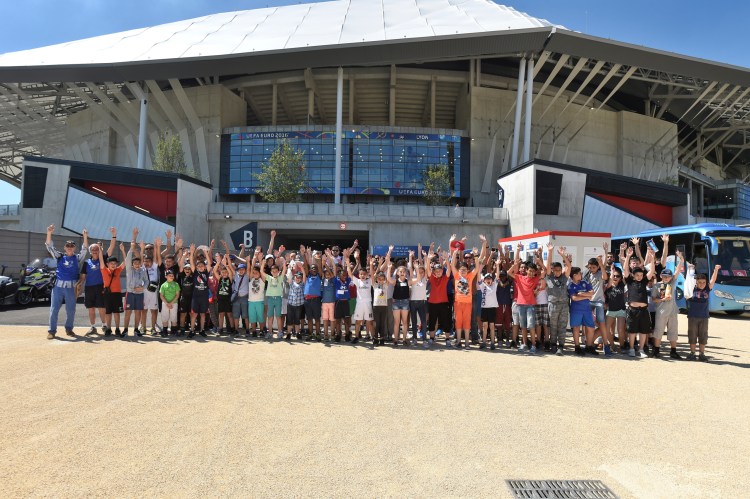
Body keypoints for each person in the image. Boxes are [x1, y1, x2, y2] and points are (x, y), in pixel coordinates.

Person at [45, 224, 88, 339]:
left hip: (71, 288)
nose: (69, 247)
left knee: (71, 310)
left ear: (74, 248)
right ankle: (52, 331)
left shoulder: (77, 258)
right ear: (65, 247)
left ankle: (69, 329)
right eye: (68, 245)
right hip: (58, 287)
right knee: (54, 309)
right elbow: (50, 247)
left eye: (72, 246)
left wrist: (85, 236)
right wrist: (49, 233)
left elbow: (84, 249)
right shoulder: (59, 256)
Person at [621, 246, 657, 358]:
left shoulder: (644, 281)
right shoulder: (629, 281)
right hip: (632, 310)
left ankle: (641, 349)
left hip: (644, 310)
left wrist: (652, 257)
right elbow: (626, 270)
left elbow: (651, 271)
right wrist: (627, 257)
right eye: (637, 275)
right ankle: (632, 349)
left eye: (641, 275)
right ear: (633, 275)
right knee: (632, 331)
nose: (639, 277)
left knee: (643, 331)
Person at [80, 226, 116, 335]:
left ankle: (104, 325)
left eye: (97, 249)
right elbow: (83, 276)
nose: (95, 251)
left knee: (101, 307)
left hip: (100, 287)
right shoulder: (86, 262)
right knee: (91, 308)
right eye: (93, 249)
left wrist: (114, 235)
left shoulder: (104, 259)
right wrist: (79, 285)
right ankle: (92, 327)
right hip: (89, 288)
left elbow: (112, 246)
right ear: (90, 251)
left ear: (100, 249)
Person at [507, 243, 543, 353]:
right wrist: (515, 264)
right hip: (520, 305)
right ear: (526, 270)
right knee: (523, 326)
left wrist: (539, 259)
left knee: (531, 326)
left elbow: (544, 272)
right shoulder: (520, 277)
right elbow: (509, 272)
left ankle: (533, 345)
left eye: (533, 271)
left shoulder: (535, 279)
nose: (531, 273)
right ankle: (524, 344)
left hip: (531, 306)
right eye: (530, 271)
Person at [684, 263, 721, 361]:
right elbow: (688, 280)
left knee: (703, 335)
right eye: (699, 282)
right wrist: (690, 269)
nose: (702, 284)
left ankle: (702, 354)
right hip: (692, 316)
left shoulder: (707, 289)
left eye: (703, 282)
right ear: (696, 282)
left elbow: (713, 280)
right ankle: (692, 353)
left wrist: (716, 270)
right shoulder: (691, 289)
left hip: (704, 316)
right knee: (692, 334)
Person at [651, 249, 684, 359]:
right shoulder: (656, 286)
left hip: (672, 311)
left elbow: (677, 271)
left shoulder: (672, 283)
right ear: (661, 276)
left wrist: (681, 260)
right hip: (661, 311)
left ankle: (673, 351)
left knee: (673, 331)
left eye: (668, 276)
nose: (666, 278)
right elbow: (653, 299)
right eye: (664, 276)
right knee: (658, 330)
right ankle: (656, 350)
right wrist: (662, 299)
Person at [542, 245, 570, 355]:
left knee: (562, 326)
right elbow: (548, 265)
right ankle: (553, 344)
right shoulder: (549, 277)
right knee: (553, 326)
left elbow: (569, 266)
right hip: (552, 304)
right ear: (553, 270)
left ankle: (561, 346)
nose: (557, 272)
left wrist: (563, 255)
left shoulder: (564, 277)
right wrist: (550, 252)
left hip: (563, 304)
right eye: (555, 270)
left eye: (559, 270)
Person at [583, 244, 609, 353]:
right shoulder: (586, 275)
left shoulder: (600, 273)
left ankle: (606, 345)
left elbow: (605, 277)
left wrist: (605, 254)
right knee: (588, 324)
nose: (591, 269)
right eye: (590, 267)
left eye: (593, 267)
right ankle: (588, 343)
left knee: (602, 323)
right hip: (588, 302)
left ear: (597, 266)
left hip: (598, 302)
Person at [96, 244, 126, 337]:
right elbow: (101, 260)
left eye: (115, 263)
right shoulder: (104, 270)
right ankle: (108, 328)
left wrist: (123, 251)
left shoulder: (118, 270)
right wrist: (100, 250)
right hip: (107, 294)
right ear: (107, 264)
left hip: (117, 294)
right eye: (111, 263)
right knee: (108, 313)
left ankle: (117, 329)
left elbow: (125, 262)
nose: (113, 265)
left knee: (117, 313)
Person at [567, 266, 595, 356]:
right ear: (574, 275)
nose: (581, 274)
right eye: (579, 273)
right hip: (576, 310)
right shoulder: (570, 285)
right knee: (576, 328)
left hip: (587, 309)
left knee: (590, 327)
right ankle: (577, 347)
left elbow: (592, 292)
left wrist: (582, 294)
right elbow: (574, 298)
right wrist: (587, 296)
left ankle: (589, 346)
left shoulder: (585, 282)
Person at [348, 257, 374, 344]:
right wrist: (348, 263)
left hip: (368, 304)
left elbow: (373, 275)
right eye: (361, 274)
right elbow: (350, 274)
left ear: (367, 275)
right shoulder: (357, 281)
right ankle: (356, 337)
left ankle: (373, 337)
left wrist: (370, 265)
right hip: (359, 304)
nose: (362, 276)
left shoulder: (370, 281)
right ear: (359, 275)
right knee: (358, 321)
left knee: (369, 322)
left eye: (364, 274)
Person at [188, 243, 212, 338]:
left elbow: (209, 263)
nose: (201, 267)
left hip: (204, 296)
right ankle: (192, 330)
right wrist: (192, 252)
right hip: (196, 297)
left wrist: (206, 253)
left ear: (204, 267)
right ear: (197, 267)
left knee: (203, 314)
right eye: (199, 266)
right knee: (194, 315)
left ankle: (202, 330)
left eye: (202, 266)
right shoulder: (195, 272)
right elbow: (191, 262)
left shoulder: (206, 271)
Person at [260, 255, 286, 339]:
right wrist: (263, 264)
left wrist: (284, 263)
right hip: (270, 299)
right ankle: (270, 332)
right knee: (270, 317)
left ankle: (280, 332)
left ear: (278, 272)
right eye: (273, 271)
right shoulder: (269, 277)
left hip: (278, 298)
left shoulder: (280, 278)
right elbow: (261, 272)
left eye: (276, 271)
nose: (275, 272)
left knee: (278, 316)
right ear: (271, 272)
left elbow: (284, 270)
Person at [478, 255, 501, 349]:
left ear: (492, 280)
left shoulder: (494, 286)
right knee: (484, 326)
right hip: (484, 308)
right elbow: (478, 277)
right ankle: (484, 342)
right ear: (484, 280)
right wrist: (479, 266)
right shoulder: (482, 286)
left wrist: (498, 265)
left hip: (492, 308)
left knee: (492, 326)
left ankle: (492, 342)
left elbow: (497, 276)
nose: (488, 280)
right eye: (487, 279)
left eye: (490, 279)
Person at [604, 266, 626, 355]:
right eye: (614, 276)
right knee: (606, 329)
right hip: (611, 310)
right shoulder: (608, 286)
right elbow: (609, 282)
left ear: (621, 278)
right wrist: (612, 273)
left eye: (618, 276)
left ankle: (621, 346)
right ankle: (612, 345)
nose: (615, 277)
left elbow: (625, 273)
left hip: (621, 310)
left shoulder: (622, 284)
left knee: (620, 330)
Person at [213, 252, 234, 335]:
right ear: (221, 273)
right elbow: (214, 271)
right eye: (223, 272)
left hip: (228, 299)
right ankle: (220, 329)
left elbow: (231, 273)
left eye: (226, 272)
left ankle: (232, 329)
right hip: (221, 299)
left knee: (229, 315)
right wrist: (218, 262)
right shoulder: (220, 279)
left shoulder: (230, 279)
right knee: (221, 315)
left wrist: (225, 265)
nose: (224, 273)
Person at [286, 261, 306, 340]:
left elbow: (304, 275)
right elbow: (289, 276)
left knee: (297, 320)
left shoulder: (302, 284)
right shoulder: (291, 283)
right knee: (290, 320)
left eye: (299, 278)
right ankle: (288, 334)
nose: (298, 279)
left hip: (299, 305)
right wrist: (289, 268)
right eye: (296, 277)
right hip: (290, 304)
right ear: (294, 278)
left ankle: (298, 333)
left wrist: (301, 268)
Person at [159, 270, 180, 335]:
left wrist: (171, 303)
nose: (171, 277)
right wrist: (166, 303)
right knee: (165, 317)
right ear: (166, 276)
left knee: (174, 317)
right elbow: (161, 296)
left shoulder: (176, 284)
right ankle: (165, 330)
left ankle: (174, 330)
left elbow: (177, 295)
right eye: (169, 275)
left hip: (174, 303)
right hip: (165, 303)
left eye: (172, 275)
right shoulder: (163, 285)